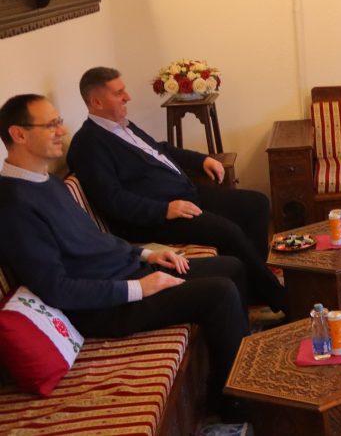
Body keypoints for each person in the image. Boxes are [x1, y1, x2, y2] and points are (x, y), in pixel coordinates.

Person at [0, 94, 248, 416]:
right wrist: (139, 288)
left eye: (59, 122)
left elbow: (93, 240)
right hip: (104, 306)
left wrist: (146, 255)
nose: (62, 131)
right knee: (219, 292)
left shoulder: (47, 182)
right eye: (51, 125)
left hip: (126, 273)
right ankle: (231, 401)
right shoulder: (14, 205)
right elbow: (56, 288)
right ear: (18, 134)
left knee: (232, 267)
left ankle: (241, 370)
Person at [66, 67, 285, 312]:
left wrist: (201, 160)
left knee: (256, 204)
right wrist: (164, 210)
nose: (128, 97)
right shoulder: (88, 144)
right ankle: (279, 298)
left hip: (186, 195)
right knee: (228, 231)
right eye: (119, 93)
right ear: (96, 101)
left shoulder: (123, 125)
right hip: (155, 217)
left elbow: (161, 149)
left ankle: (255, 289)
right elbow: (113, 200)